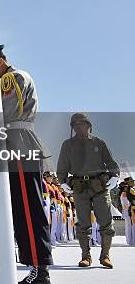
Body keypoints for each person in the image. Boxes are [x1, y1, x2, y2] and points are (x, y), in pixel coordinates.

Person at [0, 44, 52, 284]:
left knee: (29, 209)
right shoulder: (10, 78)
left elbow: (5, 114)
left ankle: (40, 270)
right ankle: (35, 267)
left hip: (18, 145)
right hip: (15, 145)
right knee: (22, 208)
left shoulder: (12, 78)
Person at [57, 112, 120, 269]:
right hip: (79, 188)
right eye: (76, 124)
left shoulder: (99, 143)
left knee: (106, 222)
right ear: (72, 127)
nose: (79, 126)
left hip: (99, 187)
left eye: (82, 123)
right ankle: (86, 257)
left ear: (88, 125)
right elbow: (62, 166)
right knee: (83, 224)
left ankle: (105, 256)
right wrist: (62, 181)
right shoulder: (67, 145)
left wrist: (115, 176)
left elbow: (111, 163)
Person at [119, 178, 135, 245]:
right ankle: (130, 241)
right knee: (129, 227)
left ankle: (131, 241)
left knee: (130, 227)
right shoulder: (124, 193)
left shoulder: (129, 191)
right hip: (128, 211)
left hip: (129, 211)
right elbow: (126, 204)